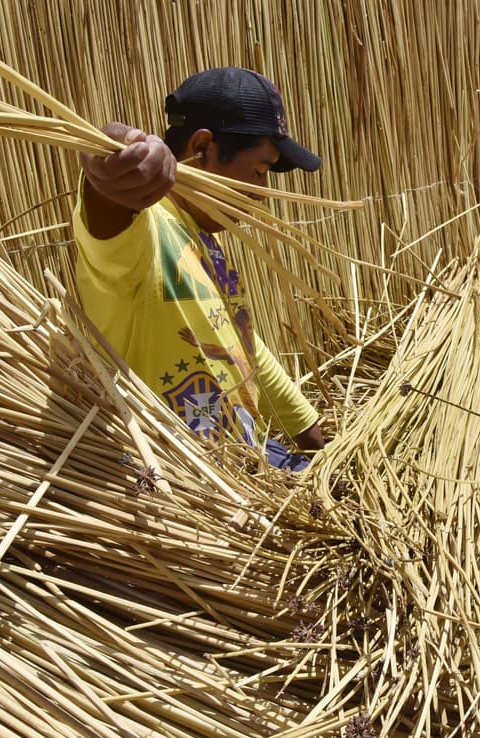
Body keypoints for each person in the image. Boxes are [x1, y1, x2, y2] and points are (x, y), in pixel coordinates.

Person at [73, 66, 325, 471]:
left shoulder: (204, 235)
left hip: (248, 456)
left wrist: (312, 438)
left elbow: (243, 343)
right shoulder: (143, 230)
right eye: (259, 171)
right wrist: (115, 157)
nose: (262, 196)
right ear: (203, 148)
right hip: (181, 476)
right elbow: (108, 198)